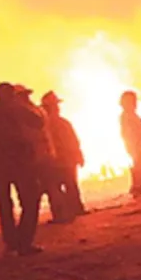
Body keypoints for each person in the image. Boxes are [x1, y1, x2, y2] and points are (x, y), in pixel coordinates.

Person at [0, 81, 45, 256]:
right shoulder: (18, 109)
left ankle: (11, 243)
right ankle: (24, 242)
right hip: (20, 161)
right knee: (30, 200)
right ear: (12, 95)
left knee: (5, 203)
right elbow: (39, 122)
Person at [15, 85, 68, 223]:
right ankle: (62, 214)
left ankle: (58, 215)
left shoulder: (24, 113)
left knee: (40, 189)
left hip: (34, 157)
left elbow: (26, 136)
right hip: (45, 154)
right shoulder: (37, 111)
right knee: (52, 186)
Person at [41, 91, 88, 219]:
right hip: (61, 161)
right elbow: (73, 141)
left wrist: (78, 155)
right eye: (55, 105)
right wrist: (78, 155)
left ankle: (64, 213)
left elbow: (73, 141)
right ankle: (71, 210)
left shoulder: (46, 124)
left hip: (61, 161)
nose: (57, 108)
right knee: (64, 186)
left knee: (60, 187)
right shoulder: (49, 124)